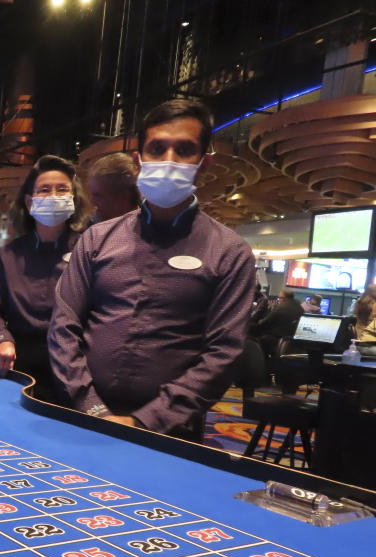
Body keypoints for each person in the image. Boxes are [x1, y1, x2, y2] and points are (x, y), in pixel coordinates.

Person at [48, 98, 255, 440]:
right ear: (139, 159)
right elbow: (63, 326)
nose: (169, 160)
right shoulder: (97, 238)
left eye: (184, 149)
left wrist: (147, 421)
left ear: (204, 163)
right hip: (83, 415)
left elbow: (223, 354)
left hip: (169, 432)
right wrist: (93, 408)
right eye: (157, 148)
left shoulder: (230, 252)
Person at [0, 155, 83, 400]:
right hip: (17, 362)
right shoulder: (9, 254)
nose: (54, 196)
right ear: (29, 201)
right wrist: (1, 340)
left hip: (73, 368)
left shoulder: (88, 250)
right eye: (44, 190)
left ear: (73, 199)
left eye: (62, 190)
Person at [84, 152, 140, 223]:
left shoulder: (147, 229)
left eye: (97, 196)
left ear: (123, 197)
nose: (92, 202)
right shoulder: (89, 227)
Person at [253, 289, 303, 357]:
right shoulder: (299, 308)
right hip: (290, 338)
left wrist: (259, 322)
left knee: (255, 332)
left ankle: (259, 359)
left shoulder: (281, 307)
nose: (279, 300)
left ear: (284, 298)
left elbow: (266, 321)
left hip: (275, 337)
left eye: (279, 298)